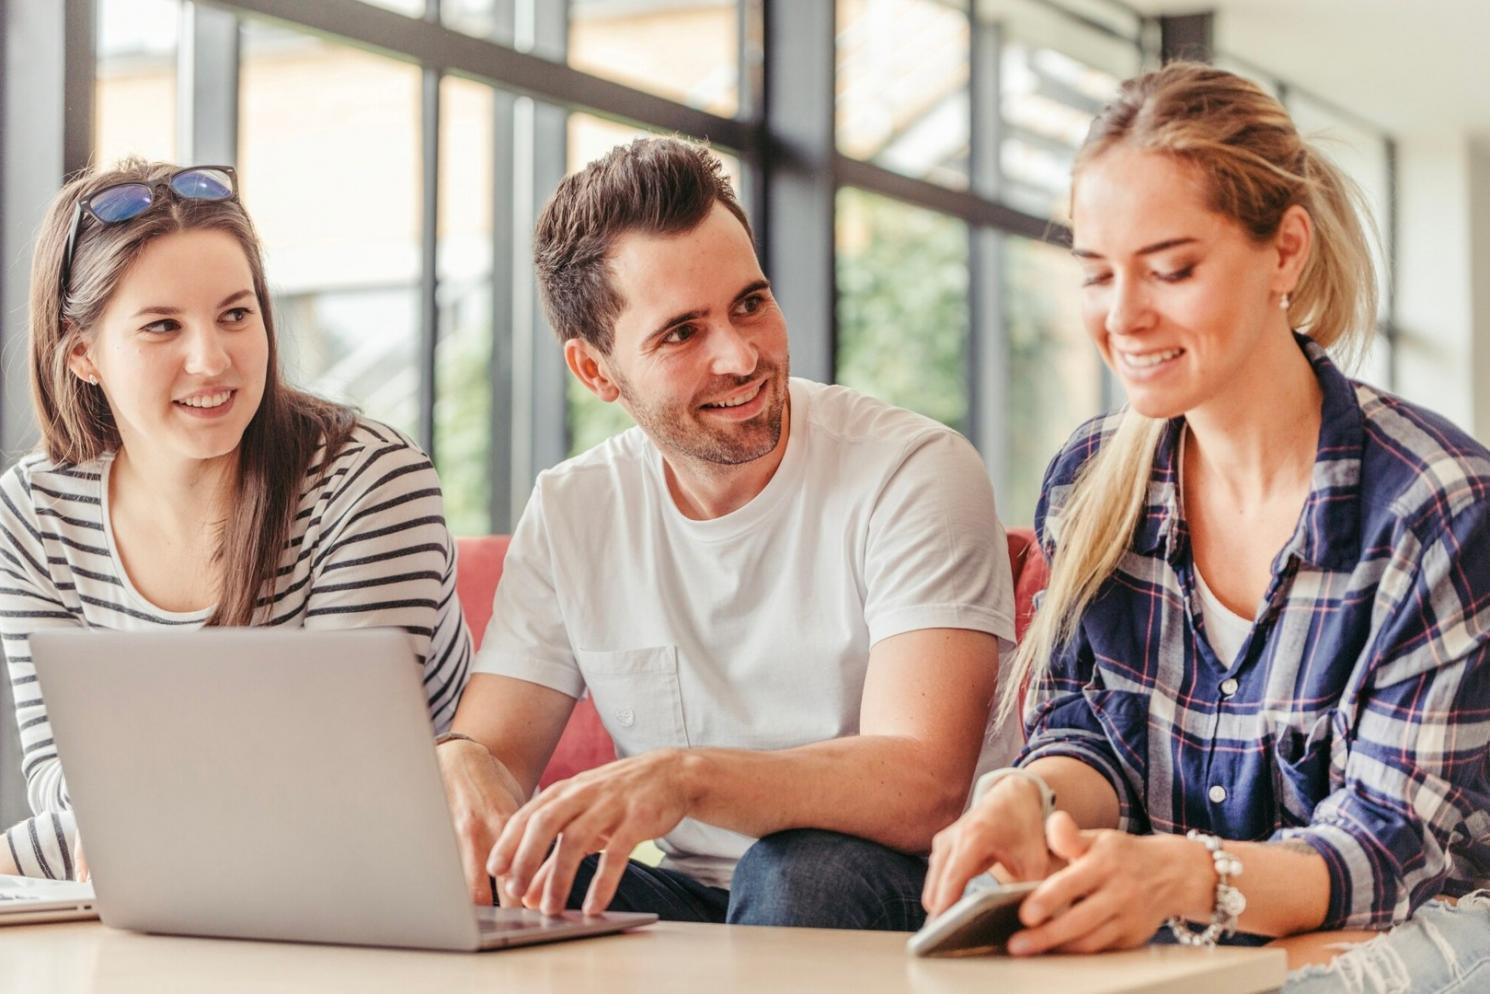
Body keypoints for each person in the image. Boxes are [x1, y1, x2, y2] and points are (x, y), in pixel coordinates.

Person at [922, 63, 1490, 992]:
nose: (1123, 315)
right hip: (1182, 966)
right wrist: (1030, 797)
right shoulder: (1089, 481)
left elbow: (1393, 849)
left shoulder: (1435, 509)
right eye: (1097, 275)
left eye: (1171, 269)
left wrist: (1190, 878)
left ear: (1286, 252)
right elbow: (1088, 734)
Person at [436, 136, 1017, 931]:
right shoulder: (575, 509)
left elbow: (924, 785)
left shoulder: (912, 470)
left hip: (912, 887)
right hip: (701, 901)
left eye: (750, 303)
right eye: (682, 333)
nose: (742, 355)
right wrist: (462, 759)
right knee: (492, 873)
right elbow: (495, 757)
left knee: (796, 873)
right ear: (596, 372)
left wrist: (684, 780)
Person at [1, 160, 472, 879]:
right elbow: (64, 780)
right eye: (162, 326)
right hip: (173, 894)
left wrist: (100, 827)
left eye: (235, 314)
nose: (211, 359)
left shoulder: (368, 482)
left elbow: (342, 773)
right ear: (83, 354)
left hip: (382, 892)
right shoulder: (32, 513)